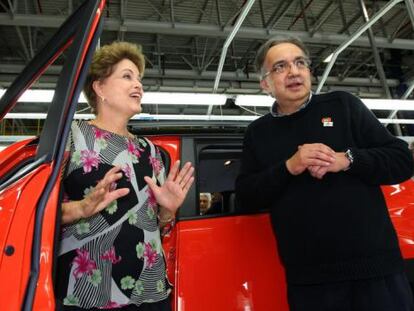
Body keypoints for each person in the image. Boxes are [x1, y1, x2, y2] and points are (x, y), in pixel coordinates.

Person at [235, 36, 414, 311]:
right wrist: (289, 167)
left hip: (376, 272)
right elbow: (246, 196)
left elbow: (401, 159)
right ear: (265, 84)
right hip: (311, 283)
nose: (294, 72)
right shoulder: (257, 134)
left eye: (300, 63)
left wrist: (348, 159)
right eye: (280, 67)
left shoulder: (343, 105)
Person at [56, 41, 194, 310]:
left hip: (149, 290)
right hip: (88, 293)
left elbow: (159, 226)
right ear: (99, 88)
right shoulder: (71, 138)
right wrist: (81, 208)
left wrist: (167, 211)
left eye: (139, 79)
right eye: (127, 76)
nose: (138, 85)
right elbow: (36, 213)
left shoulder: (152, 151)